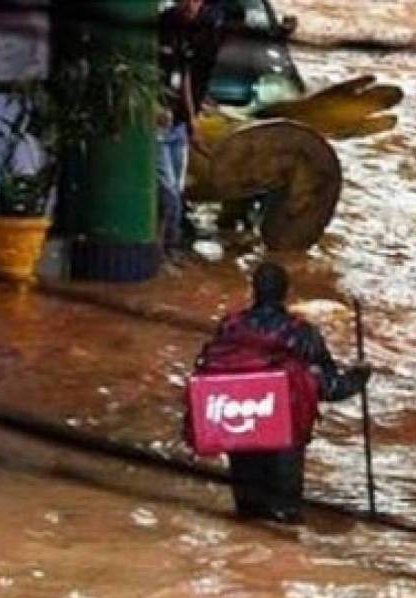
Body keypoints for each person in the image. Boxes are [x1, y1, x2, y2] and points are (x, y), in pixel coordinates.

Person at [192, 262, 372, 523]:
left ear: (253, 290)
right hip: (284, 431)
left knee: (247, 517)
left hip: (240, 426)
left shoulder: (231, 327)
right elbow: (328, 386)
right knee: (285, 517)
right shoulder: (300, 333)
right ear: (285, 292)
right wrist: (359, 377)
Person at [157, 0, 228, 256]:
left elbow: (187, 78)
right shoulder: (162, 27)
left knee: (175, 189)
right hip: (156, 127)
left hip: (176, 124)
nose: (190, 4)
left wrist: (191, 119)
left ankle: (169, 244)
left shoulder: (203, 30)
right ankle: (170, 247)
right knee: (169, 192)